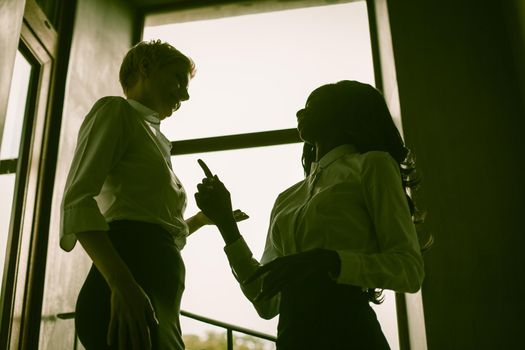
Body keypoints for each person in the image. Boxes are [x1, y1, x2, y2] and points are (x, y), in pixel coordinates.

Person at [195, 80, 426, 349]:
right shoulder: (287, 197)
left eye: (312, 105)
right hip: (294, 338)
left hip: (350, 334)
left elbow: (409, 271)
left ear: (343, 112)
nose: (299, 113)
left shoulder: (372, 165)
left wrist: (331, 261)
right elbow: (266, 300)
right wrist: (225, 223)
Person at [60, 40, 246, 350]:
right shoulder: (116, 111)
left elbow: (155, 227)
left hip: (157, 288)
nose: (184, 95)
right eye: (176, 79)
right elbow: (77, 200)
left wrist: (201, 219)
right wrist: (122, 284)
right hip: (131, 283)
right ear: (145, 69)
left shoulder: (157, 141)